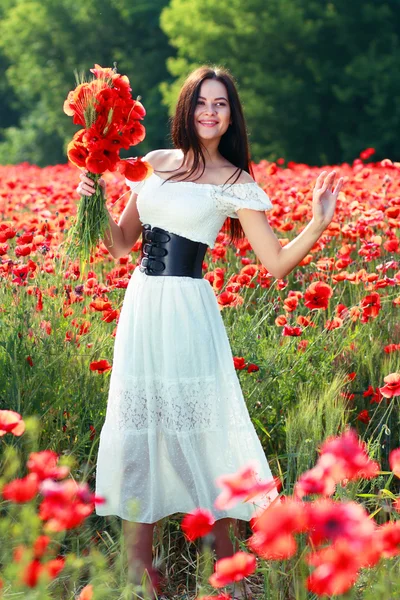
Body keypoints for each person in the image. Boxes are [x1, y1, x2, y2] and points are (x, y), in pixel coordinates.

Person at [76, 65, 343, 600]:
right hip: (142, 306)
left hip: (188, 311)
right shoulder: (151, 164)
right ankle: (138, 576)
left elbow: (275, 263)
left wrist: (317, 223)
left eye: (221, 104)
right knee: (139, 425)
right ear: (187, 107)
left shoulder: (235, 181)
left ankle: (227, 575)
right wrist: (91, 200)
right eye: (202, 101)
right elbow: (122, 245)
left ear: (231, 116)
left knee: (201, 429)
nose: (210, 111)